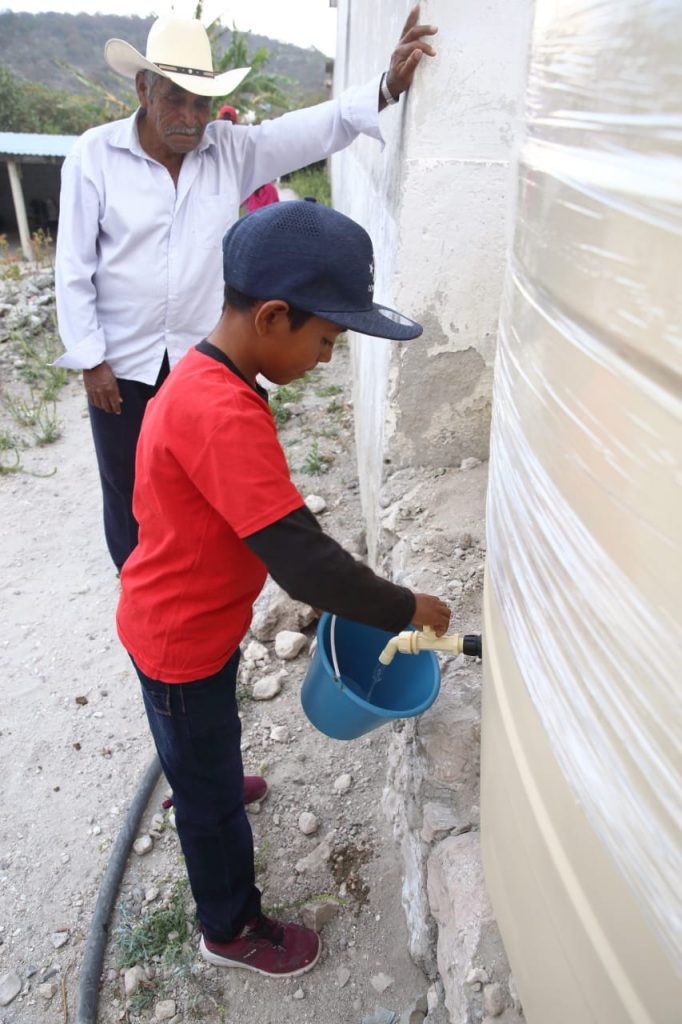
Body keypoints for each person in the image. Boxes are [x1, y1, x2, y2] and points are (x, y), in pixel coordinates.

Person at [115, 199, 452, 977]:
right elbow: (304, 563)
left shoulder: (208, 377)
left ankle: (205, 774)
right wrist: (406, 608)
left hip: (186, 620)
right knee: (208, 800)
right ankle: (230, 927)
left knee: (204, 737)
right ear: (273, 316)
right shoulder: (219, 413)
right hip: (180, 640)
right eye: (326, 339)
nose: (328, 358)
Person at [54, 8, 438, 572]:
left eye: (201, 103)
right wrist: (91, 360)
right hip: (124, 365)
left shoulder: (228, 151)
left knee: (209, 486)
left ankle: (200, 584)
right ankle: (138, 587)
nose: (191, 118)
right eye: (176, 99)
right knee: (129, 486)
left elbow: (306, 130)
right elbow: (73, 265)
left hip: (203, 362)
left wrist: (385, 87)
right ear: (143, 89)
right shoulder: (94, 156)